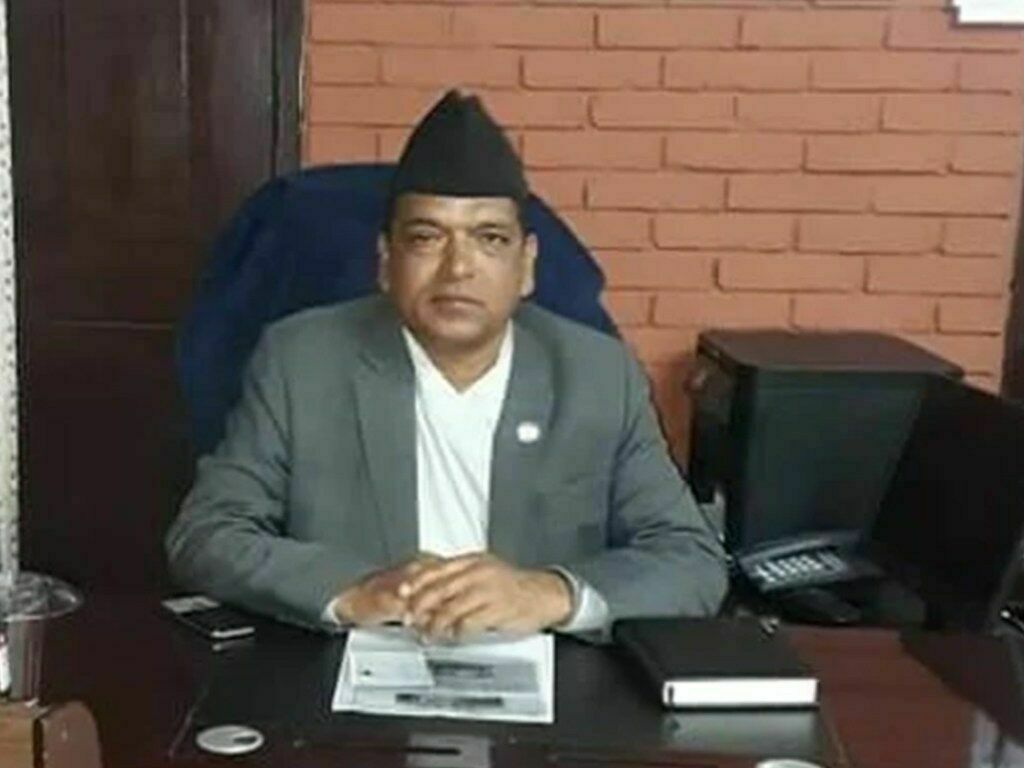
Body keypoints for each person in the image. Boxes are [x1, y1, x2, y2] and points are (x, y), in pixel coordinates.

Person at [166, 90, 727, 642]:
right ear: (385, 262)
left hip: (548, 677)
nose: (458, 268)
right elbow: (206, 534)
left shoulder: (597, 374)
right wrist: (354, 591)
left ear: (526, 266)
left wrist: (548, 593)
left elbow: (691, 558)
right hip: (357, 669)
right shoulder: (301, 361)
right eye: (427, 238)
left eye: (489, 239)